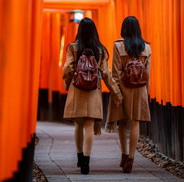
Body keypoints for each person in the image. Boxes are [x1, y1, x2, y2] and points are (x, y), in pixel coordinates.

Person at [62, 17, 123, 175]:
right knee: (89, 126)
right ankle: (86, 163)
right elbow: (108, 75)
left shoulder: (73, 47)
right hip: (93, 91)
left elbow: (66, 69)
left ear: (79, 30)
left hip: (77, 89)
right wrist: (116, 93)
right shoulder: (100, 50)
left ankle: (79, 156)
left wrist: (67, 85)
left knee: (78, 126)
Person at [106, 16, 152, 173]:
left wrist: (116, 92)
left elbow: (116, 71)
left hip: (123, 88)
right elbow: (147, 75)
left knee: (122, 122)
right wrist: (146, 93)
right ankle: (132, 158)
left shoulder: (119, 46)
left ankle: (124, 154)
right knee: (135, 123)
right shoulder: (146, 48)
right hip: (139, 90)